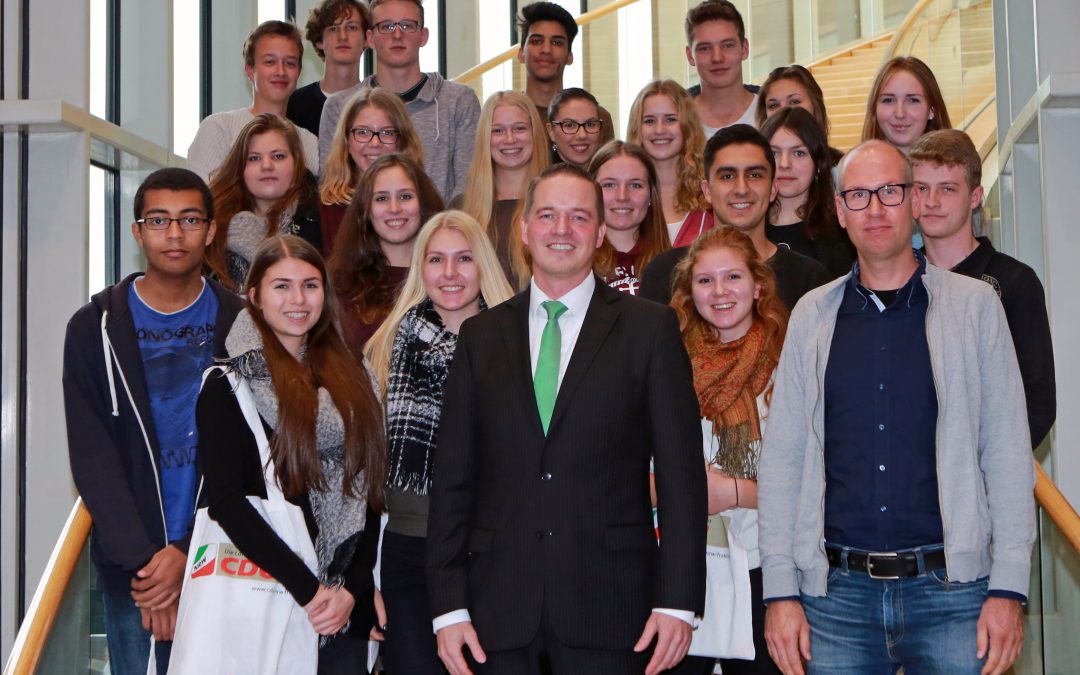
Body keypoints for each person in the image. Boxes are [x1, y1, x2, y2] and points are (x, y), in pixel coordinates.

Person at [759, 140, 1036, 675]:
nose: (876, 208)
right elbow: (784, 460)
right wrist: (780, 592)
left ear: (913, 201)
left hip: (955, 596)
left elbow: (1005, 451)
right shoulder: (812, 317)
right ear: (840, 211)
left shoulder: (976, 308)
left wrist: (1009, 586)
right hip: (835, 601)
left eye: (890, 190)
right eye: (859, 195)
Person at [426, 164, 707, 675]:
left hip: (615, 608)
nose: (561, 230)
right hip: (497, 610)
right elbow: (452, 482)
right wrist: (448, 605)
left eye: (578, 217)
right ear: (525, 229)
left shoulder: (650, 330)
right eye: (548, 215)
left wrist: (677, 601)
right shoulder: (480, 337)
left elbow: (681, 479)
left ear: (599, 234)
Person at [62, 168, 244, 675]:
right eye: (159, 220)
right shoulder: (93, 327)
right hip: (134, 572)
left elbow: (256, 453)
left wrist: (187, 553)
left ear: (210, 231)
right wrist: (152, 568)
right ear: (138, 231)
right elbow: (93, 456)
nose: (175, 233)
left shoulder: (243, 323)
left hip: (225, 555)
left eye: (189, 220)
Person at [197, 234, 386, 673]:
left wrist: (352, 590)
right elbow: (229, 503)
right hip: (272, 600)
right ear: (254, 296)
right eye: (281, 286)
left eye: (310, 285)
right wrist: (311, 592)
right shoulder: (227, 386)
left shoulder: (356, 378)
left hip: (342, 609)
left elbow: (372, 490)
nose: (298, 299)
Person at [363, 211, 514, 674]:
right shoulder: (384, 348)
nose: (449, 274)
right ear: (420, 268)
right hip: (407, 550)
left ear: (484, 265)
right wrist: (359, 576)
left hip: (490, 551)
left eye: (464, 258)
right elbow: (359, 477)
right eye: (436, 260)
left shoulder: (519, 348)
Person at [666, 227, 786, 675]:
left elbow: (814, 485)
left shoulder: (789, 365)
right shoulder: (667, 363)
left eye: (732, 277)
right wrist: (683, 492)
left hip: (765, 570)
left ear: (758, 286)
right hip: (683, 566)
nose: (719, 292)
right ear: (689, 291)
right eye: (705, 281)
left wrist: (734, 492)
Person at [911, 129, 1056, 447]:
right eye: (921, 188)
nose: (931, 202)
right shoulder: (899, 282)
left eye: (947, 189)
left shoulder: (1015, 281)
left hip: (985, 477)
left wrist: (985, 467)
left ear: (975, 197)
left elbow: (1038, 402)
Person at [639, 125, 830, 309]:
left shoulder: (809, 279)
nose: (741, 189)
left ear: (773, 189)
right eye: (727, 176)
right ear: (706, 191)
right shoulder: (664, 274)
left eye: (754, 175)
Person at [318, 0, 480, 201]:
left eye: (407, 25)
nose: (397, 35)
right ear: (370, 38)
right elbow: (333, 189)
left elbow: (468, 190)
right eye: (386, 26)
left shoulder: (459, 101)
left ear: (423, 36)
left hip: (441, 229)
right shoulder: (339, 107)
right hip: (361, 228)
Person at [328, 153, 445, 352]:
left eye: (405, 196)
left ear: (423, 203)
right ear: (366, 210)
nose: (394, 208)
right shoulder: (339, 283)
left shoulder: (448, 277)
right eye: (382, 198)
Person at [187, 21, 320, 182]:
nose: (281, 71)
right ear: (250, 70)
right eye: (270, 62)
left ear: (298, 72)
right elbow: (200, 197)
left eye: (290, 63)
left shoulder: (309, 142)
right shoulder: (219, 128)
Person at [206, 113, 323, 291]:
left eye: (278, 157)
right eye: (254, 158)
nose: (266, 165)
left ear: (296, 164)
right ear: (241, 169)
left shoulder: (322, 221)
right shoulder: (212, 228)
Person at [454, 91, 549, 290]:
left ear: (535, 133)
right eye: (498, 131)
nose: (510, 139)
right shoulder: (460, 210)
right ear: (484, 138)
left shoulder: (557, 205)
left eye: (520, 128)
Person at [319, 87, 425, 255]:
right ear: (346, 139)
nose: (375, 143)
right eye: (362, 132)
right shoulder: (323, 210)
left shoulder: (423, 204)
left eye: (387, 133)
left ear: (402, 140)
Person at [760, 107, 854, 278]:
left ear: (819, 164)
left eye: (798, 153)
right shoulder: (745, 231)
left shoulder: (842, 236)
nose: (784, 164)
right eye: (774, 153)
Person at [626, 79, 712, 245]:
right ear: (637, 128)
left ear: (688, 127)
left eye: (670, 119)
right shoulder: (622, 199)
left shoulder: (710, 197)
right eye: (649, 121)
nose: (659, 130)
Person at [515, 1, 614, 143]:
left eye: (557, 43)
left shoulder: (596, 119)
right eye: (537, 41)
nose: (546, 50)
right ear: (521, 54)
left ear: (570, 57)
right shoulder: (504, 118)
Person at [588, 141, 670, 295]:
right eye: (609, 185)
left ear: (651, 194)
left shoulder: (677, 267)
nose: (622, 196)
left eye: (635, 185)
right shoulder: (574, 264)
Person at [287, 0, 370, 136]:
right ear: (319, 41)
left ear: (367, 38)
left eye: (352, 27)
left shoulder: (377, 104)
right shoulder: (294, 105)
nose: (343, 36)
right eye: (333, 29)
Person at [685, 1, 758, 138]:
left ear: (744, 49)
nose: (717, 58)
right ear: (690, 56)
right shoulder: (674, 122)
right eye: (705, 48)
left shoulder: (772, 113)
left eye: (727, 45)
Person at [861, 56, 951, 155]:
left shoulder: (960, 168)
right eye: (888, 100)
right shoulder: (852, 168)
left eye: (912, 100)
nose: (900, 114)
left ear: (932, 110)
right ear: (875, 108)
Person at [754, 65, 842, 166]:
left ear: (815, 106)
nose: (784, 111)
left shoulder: (840, 169)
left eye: (794, 101)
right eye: (774, 105)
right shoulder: (753, 166)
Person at [546, 87, 606, 170]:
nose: (582, 135)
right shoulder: (542, 180)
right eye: (570, 125)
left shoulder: (609, 174)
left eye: (590, 124)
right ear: (551, 131)